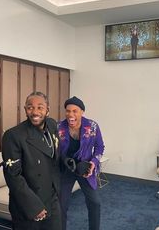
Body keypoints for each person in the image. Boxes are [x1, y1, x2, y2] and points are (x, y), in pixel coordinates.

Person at [1, 91, 62, 230]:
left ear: (47, 110)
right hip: (28, 202)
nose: (35, 111)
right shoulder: (13, 136)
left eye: (40, 107)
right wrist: (34, 207)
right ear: (25, 109)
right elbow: (13, 177)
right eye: (30, 107)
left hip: (52, 198)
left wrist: (74, 164)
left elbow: (55, 157)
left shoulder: (52, 125)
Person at [57, 96, 105, 230]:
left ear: (82, 112)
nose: (70, 115)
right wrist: (63, 158)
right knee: (61, 204)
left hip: (85, 169)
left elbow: (100, 147)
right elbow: (55, 149)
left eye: (74, 111)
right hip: (66, 169)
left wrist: (93, 163)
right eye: (68, 111)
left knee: (95, 202)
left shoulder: (93, 126)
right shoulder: (58, 127)